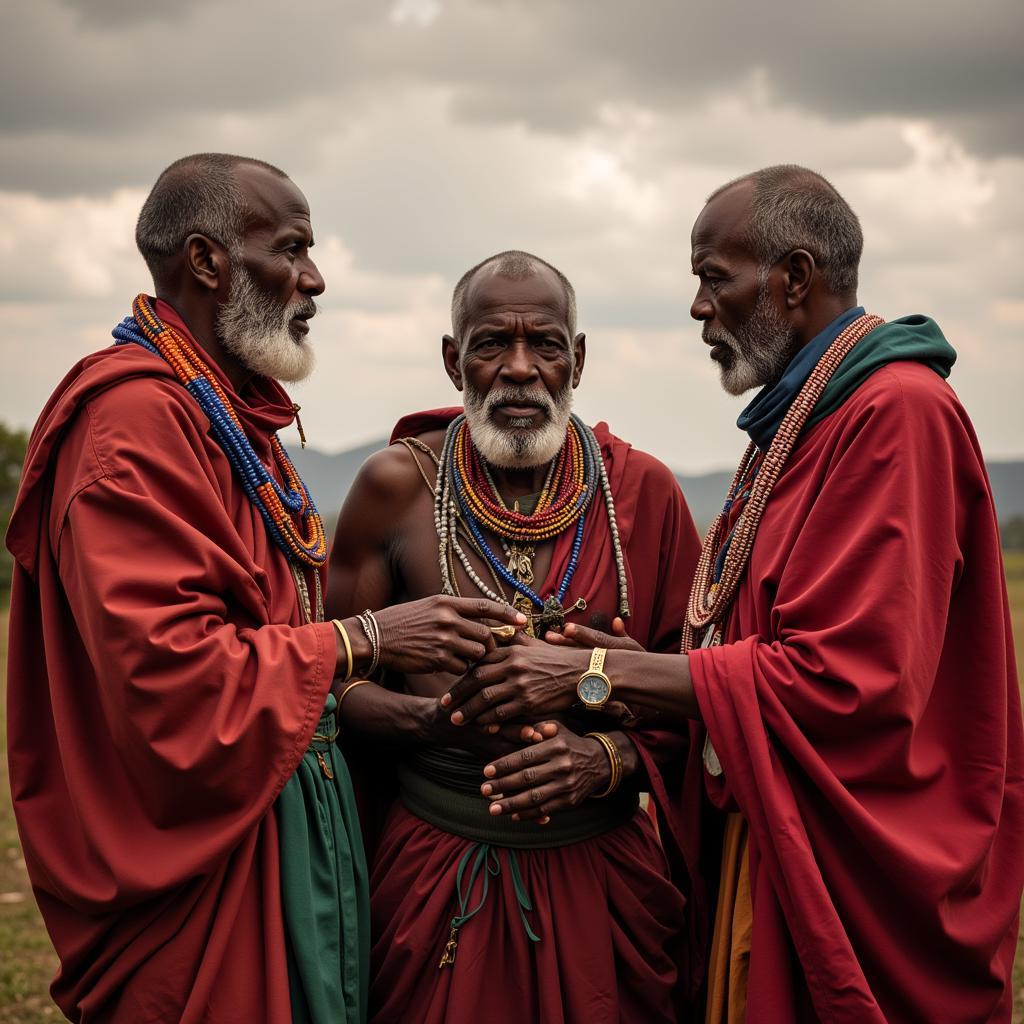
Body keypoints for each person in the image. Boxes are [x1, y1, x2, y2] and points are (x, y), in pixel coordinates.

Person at [444, 169, 1024, 1022]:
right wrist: (642, 671)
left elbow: (846, 679)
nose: (696, 308)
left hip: (860, 862)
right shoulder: (796, 423)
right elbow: (746, 636)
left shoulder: (896, 412)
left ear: (793, 278)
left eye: (715, 278)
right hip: (774, 841)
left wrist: (596, 677)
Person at [5, 152, 522, 1024]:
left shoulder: (222, 412)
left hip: (282, 839)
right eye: (292, 248)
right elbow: (172, 682)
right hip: (200, 881)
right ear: (208, 262)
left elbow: (270, 625)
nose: (314, 278)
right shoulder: (131, 426)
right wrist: (369, 640)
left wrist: (384, 710)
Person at [327, 250, 704, 1023]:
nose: (521, 369)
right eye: (492, 343)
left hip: (605, 875)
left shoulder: (646, 495)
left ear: (580, 359)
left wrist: (604, 759)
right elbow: (333, 683)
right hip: (434, 872)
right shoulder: (395, 487)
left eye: (548, 345)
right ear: (451, 359)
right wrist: (433, 721)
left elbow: (700, 696)